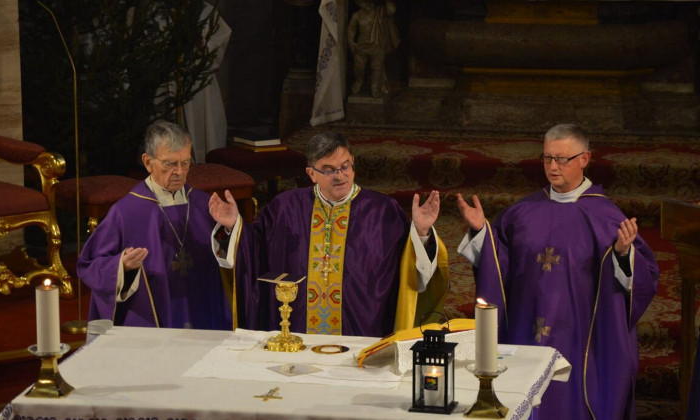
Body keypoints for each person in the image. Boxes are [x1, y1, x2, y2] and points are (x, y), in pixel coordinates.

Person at [456, 123, 659, 419]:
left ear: (585, 159)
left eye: (562, 159)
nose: (552, 166)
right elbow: (499, 268)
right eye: (547, 157)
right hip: (528, 328)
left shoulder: (607, 218)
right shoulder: (521, 213)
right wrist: (481, 233)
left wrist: (624, 255)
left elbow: (644, 280)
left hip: (578, 338)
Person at [209, 131, 448, 337]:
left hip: (364, 329)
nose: (340, 175)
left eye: (345, 166)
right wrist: (233, 227)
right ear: (311, 173)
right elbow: (254, 250)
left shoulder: (382, 210)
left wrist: (422, 231)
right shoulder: (285, 207)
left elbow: (411, 266)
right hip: (295, 329)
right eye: (329, 169)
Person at [77, 120, 232, 329]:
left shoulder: (204, 204)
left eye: (185, 163)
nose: (179, 172)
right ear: (148, 162)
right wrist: (122, 267)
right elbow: (90, 266)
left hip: (203, 313)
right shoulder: (126, 212)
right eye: (170, 164)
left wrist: (229, 228)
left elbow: (227, 259)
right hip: (152, 322)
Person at [347, 0, 400, 98]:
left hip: (377, 45)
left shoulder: (380, 12)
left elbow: (391, 10)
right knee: (359, 66)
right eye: (363, 2)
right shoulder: (357, 15)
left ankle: (374, 88)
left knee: (376, 66)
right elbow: (351, 28)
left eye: (369, 2)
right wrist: (351, 41)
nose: (367, 4)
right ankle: (359, 81)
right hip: (361, 46)